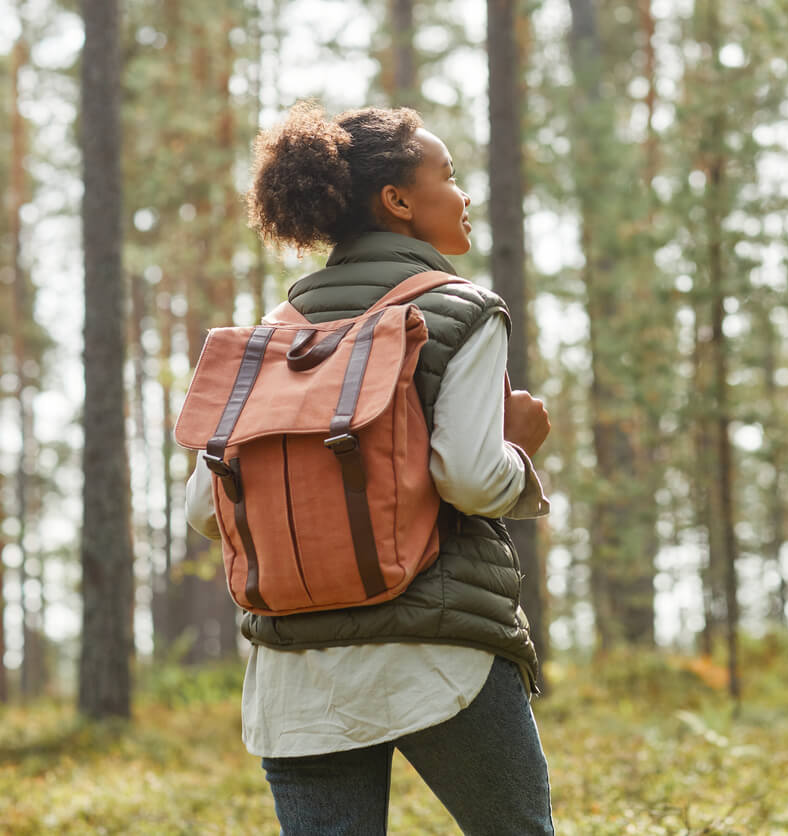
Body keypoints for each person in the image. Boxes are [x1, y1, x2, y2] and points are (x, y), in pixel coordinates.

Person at [184, 101, 555, 836]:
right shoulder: (460, 311)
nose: (463, 193)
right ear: (398, 201)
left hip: (298, 676)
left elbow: (205, 508)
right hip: (437, 653)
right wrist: (520, 448)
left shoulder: (272, 339)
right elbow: (473, 480)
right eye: (448, 175)